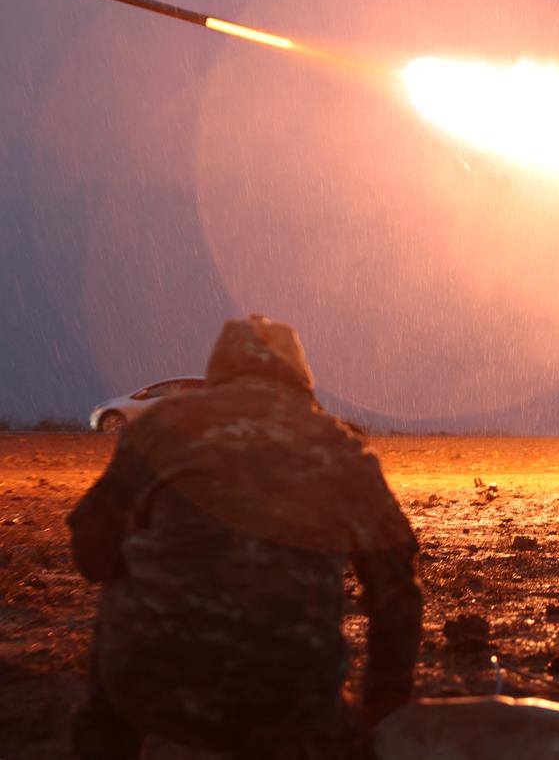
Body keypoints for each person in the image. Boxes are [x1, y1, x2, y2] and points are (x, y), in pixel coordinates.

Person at [67, 315, 422, 759]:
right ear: (301, 375)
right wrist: (384, 706)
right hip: (290, 701)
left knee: (119, 608)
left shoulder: (160, 428)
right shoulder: (342, 448)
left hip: (153, 689)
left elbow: (91, 550)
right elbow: (397, 594)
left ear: (219, 369)